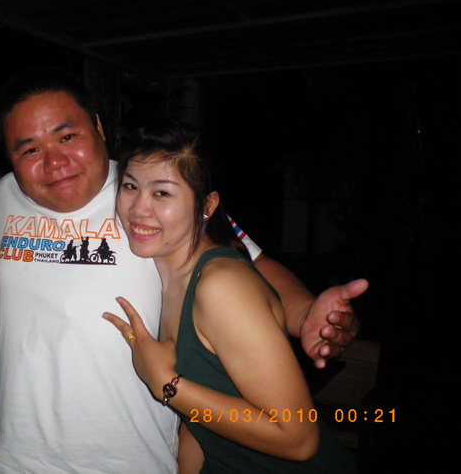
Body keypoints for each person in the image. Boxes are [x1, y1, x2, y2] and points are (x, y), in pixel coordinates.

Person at [0, 66, 367, 472]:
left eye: (67, 136)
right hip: (15, 460)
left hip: (135, 459)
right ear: (8, 158)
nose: (53, 162)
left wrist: (304, 315)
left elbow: (251, 263)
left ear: (100, 126)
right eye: (28, 149)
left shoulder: (148, 195)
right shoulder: (2, 198)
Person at [103, 120, 358, 472]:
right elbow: (202, 423)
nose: (138, 209)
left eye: (162, 193)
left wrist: (166, 384)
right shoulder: (171, 280)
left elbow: (298, 437)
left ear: (207, 206)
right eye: (131, 187)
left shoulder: (221, 286)